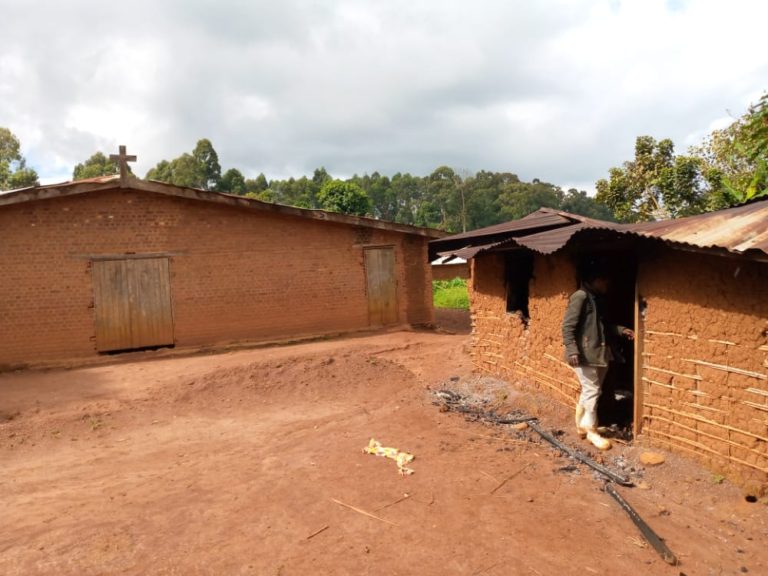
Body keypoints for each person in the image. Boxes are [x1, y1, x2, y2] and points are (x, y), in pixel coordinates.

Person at [562, 266, 634, 451]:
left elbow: (603, 327)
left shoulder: (596, 300)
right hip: (585, 355)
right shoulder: (581, 297)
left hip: (598, 354)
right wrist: (572, 350)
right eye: (604, 281)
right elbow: (568, 326)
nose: (607, 285)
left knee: (591, 390)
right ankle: (591, 430)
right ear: (595, 280)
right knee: (592, 391)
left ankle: (581, 425)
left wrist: (621, 330)